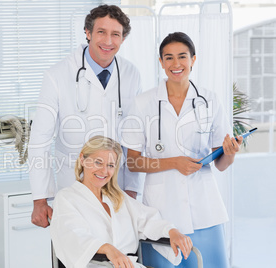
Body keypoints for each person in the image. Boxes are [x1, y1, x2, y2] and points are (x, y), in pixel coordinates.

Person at [122, 32, 243, 268]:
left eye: (182, 57)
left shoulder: (209, 100)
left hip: (205, 210)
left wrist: (230, 152)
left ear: (193, 60)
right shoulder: (142, 103)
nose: (176, 64)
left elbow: (221, 163)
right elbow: (133, 162)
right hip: (162, 211)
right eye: (168, 58)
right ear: (161, 63)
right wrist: (173, 162)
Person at [28, 4, 143, 228]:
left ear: (123, 38)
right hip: (73, 186)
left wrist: (132, 188)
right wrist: (40, 199)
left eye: (115, 34)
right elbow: (39, 139)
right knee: (76, 254)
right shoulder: (57, 75)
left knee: (121, 254)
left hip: (117, 188)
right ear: (88, 33)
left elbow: (135, 138)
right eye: (101, 32)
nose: (108, 41)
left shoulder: (131, 74)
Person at [50, 135, 193, 268]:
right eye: (98, 162)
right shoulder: (67, 198)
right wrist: (108, 249)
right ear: (82, 159)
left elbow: (148, 219)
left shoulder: (118, 198)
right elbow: (73, 237)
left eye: (110, 165)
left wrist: (172, 231)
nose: (104, 171)